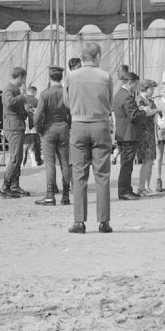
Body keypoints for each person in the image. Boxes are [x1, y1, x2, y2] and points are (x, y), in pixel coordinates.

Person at [65, 43, 114, 234]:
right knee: (102, 175)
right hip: (100, 124)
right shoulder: (105, 76)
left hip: (78, 124)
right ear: (98, 56)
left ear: (82, 57)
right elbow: (110, 101)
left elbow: (66, 102)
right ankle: (103, 221)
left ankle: (79, 221)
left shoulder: (71, 76)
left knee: (79, 174)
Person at [34, 65, 71, 206]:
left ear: (49, 77)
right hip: (63, 128)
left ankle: (50, 195)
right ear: (61, 77)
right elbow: (72, 112)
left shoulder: (44, 94)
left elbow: (37, 116)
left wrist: (39, 129)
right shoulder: (66, 93)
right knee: (65, 163)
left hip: (48, 130)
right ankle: (66, 195)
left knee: (49, 163)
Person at [112, 71, 144, 200]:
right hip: (128, 135)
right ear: (130, 83)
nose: (136, 87)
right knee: (127, 164)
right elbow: (134, 116)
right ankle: (124, 190)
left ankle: (127, 188)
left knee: (127, 163)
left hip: (123, 134)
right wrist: (144, 112)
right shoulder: (127, 97)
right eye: (135, 84)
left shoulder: (119, 94)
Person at [0, 67, 30, 199]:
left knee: (18, 158)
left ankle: (14, 185)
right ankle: (5, 186)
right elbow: (9, 102)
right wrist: (22, 97)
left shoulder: (14, 89)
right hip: (13, 127)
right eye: (23, 79)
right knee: (15, 157)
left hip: (17, 125)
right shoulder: (9, 89)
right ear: (20, 77)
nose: (24, 82)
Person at [135, 80, 160, 196]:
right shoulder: (139, 100)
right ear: (145, 88)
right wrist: (157, 110)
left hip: (150, 133)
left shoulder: (150, 101)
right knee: (146, 161)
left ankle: (147, 187)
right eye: (151, 89)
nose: (153, 91)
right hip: (143, 134)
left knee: (150, 161)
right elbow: (145, 113)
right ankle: (141, 187)